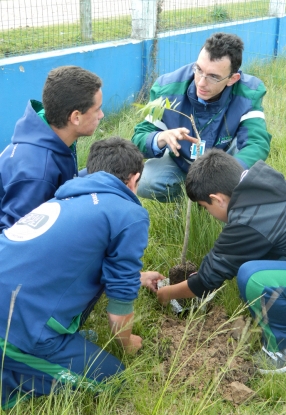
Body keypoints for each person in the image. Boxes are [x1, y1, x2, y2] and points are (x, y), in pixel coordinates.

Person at [0, 137, 164, 410]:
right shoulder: (128, 213)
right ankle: (14, 375)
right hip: (17, 326)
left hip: (11, 303)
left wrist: (138, 277)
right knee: (116, 379)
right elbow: (118, 307)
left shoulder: (67, 195)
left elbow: (65, 260)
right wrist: (127, 343)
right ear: (134, 179)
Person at [157, 148, 286, 374]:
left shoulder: (247, 220)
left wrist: (166, 293)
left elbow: (208, 279)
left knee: (254, 279)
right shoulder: (261, 184)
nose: (209, 213)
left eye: (205, 207)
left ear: (217, 199)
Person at [132, 32, 272, 202]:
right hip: (182, 162)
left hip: (224, 164)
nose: (201, 82)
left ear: (232, 79)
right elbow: (138, 138)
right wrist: (160, 137)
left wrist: (226, 175)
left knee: (247, 176)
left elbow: (256, 143)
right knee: (146, 180)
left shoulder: (248, 94)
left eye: (213, 77)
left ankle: (223, 208)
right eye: (199, 69)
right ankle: (186, 204)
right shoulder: (167, 89)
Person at [0, 65, 104, 232]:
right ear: (75, 117)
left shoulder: (50, 135)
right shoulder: (37, 172)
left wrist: (100, 172)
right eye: (97, 109)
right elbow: (15, 239)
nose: (101, 115)